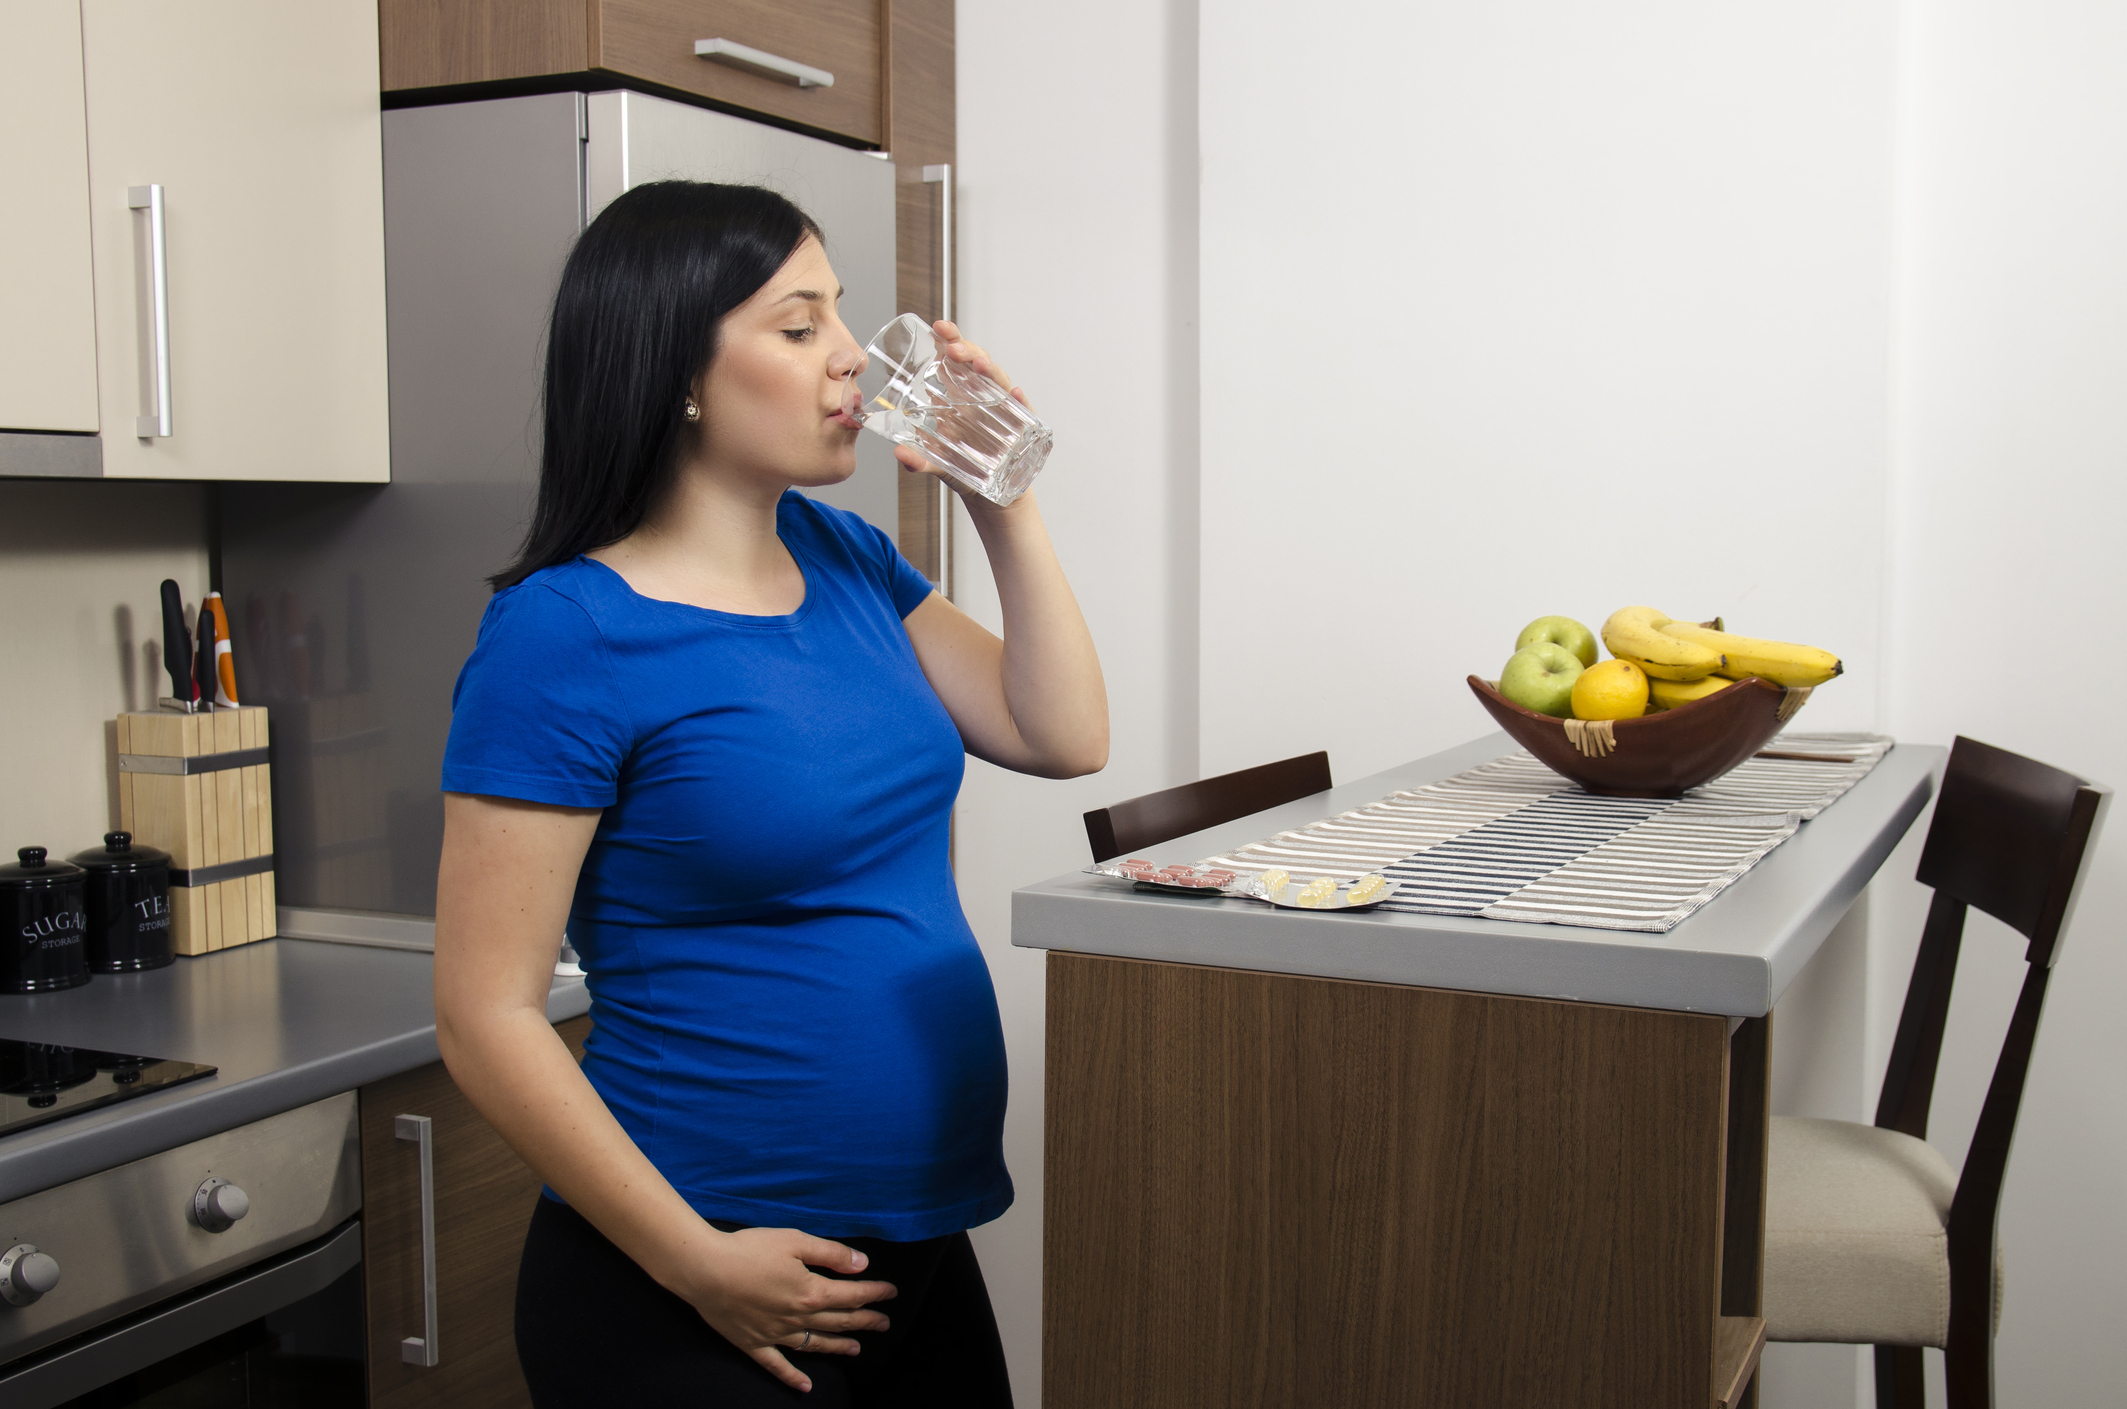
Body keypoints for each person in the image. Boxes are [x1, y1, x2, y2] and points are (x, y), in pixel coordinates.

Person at [432, 180, 1106, 1406]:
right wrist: (696, 1262)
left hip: (913, 1241)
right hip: (701, 1274)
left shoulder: (844, 557)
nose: (851, 357)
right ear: (678, 370)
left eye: (839, 318)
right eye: (799, 328)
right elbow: (485, 1014)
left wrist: (1004, 498)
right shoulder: (566, 632)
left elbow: (1060, 731)